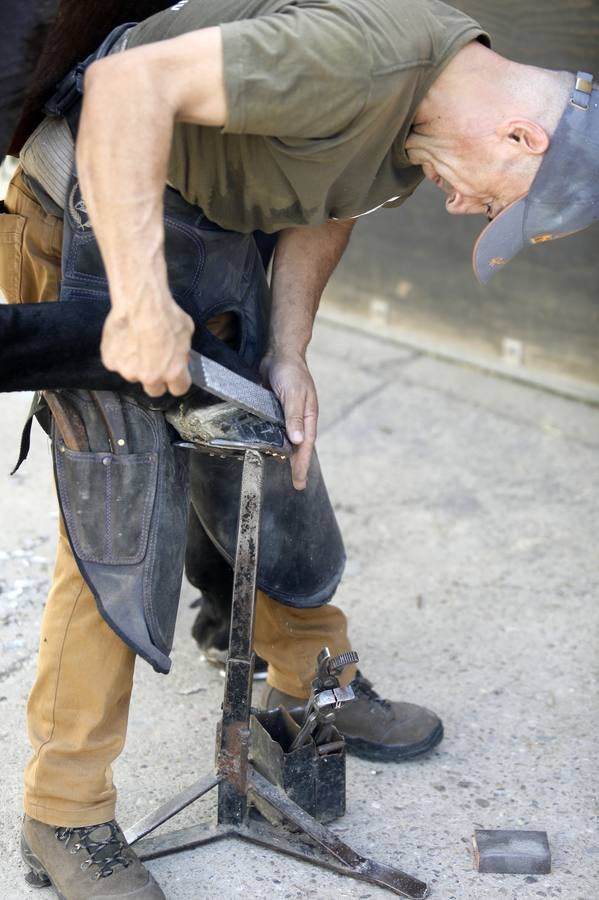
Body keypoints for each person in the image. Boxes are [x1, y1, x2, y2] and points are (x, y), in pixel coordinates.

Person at [2, 1, 597, 898]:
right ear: (521, 135)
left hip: (207, 223)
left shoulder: (433, 106)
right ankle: (66, 813)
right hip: (94, 206)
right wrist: (136, 299)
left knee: (274, 454)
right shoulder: (356, 57)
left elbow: (338, 195)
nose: (464, 205)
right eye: (495, 199)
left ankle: (309, 685)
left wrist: (288, 352)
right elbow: (126, 87)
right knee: (125, 514)